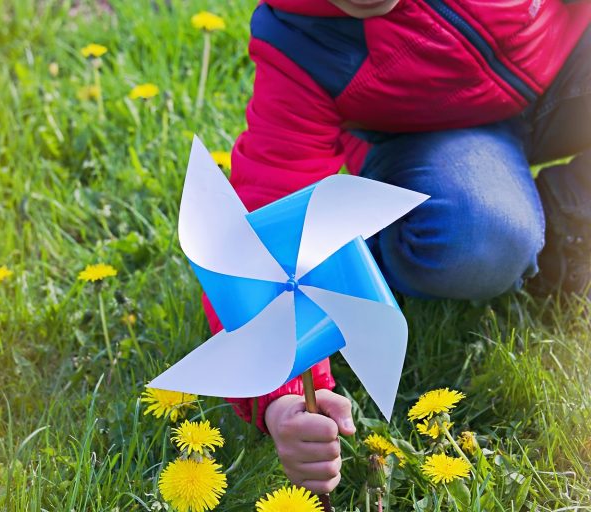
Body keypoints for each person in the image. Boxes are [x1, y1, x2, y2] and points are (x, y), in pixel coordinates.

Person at [201, 0, 591, 495]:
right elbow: (265, 238)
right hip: (440, 144)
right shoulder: (302, 39)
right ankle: (385, 245)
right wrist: (285, 393)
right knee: (475, 238)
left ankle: (565, 233)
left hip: (567, 62)